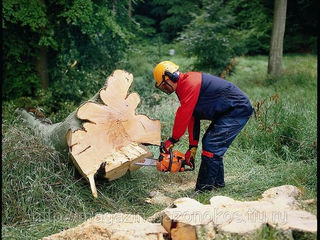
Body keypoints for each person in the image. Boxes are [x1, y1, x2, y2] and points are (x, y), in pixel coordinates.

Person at [153, 60, 253, 192]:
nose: (165, 89)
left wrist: (173, 139)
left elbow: (183, 114)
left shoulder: (190, 83)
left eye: (164, 86)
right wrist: (192, 147)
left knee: (212, 145)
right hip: (226, 112)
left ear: (171, 77)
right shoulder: (183, 86)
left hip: (237, 109)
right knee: (211, 144)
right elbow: (192, 116)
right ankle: (217, 184)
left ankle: (204, 190)